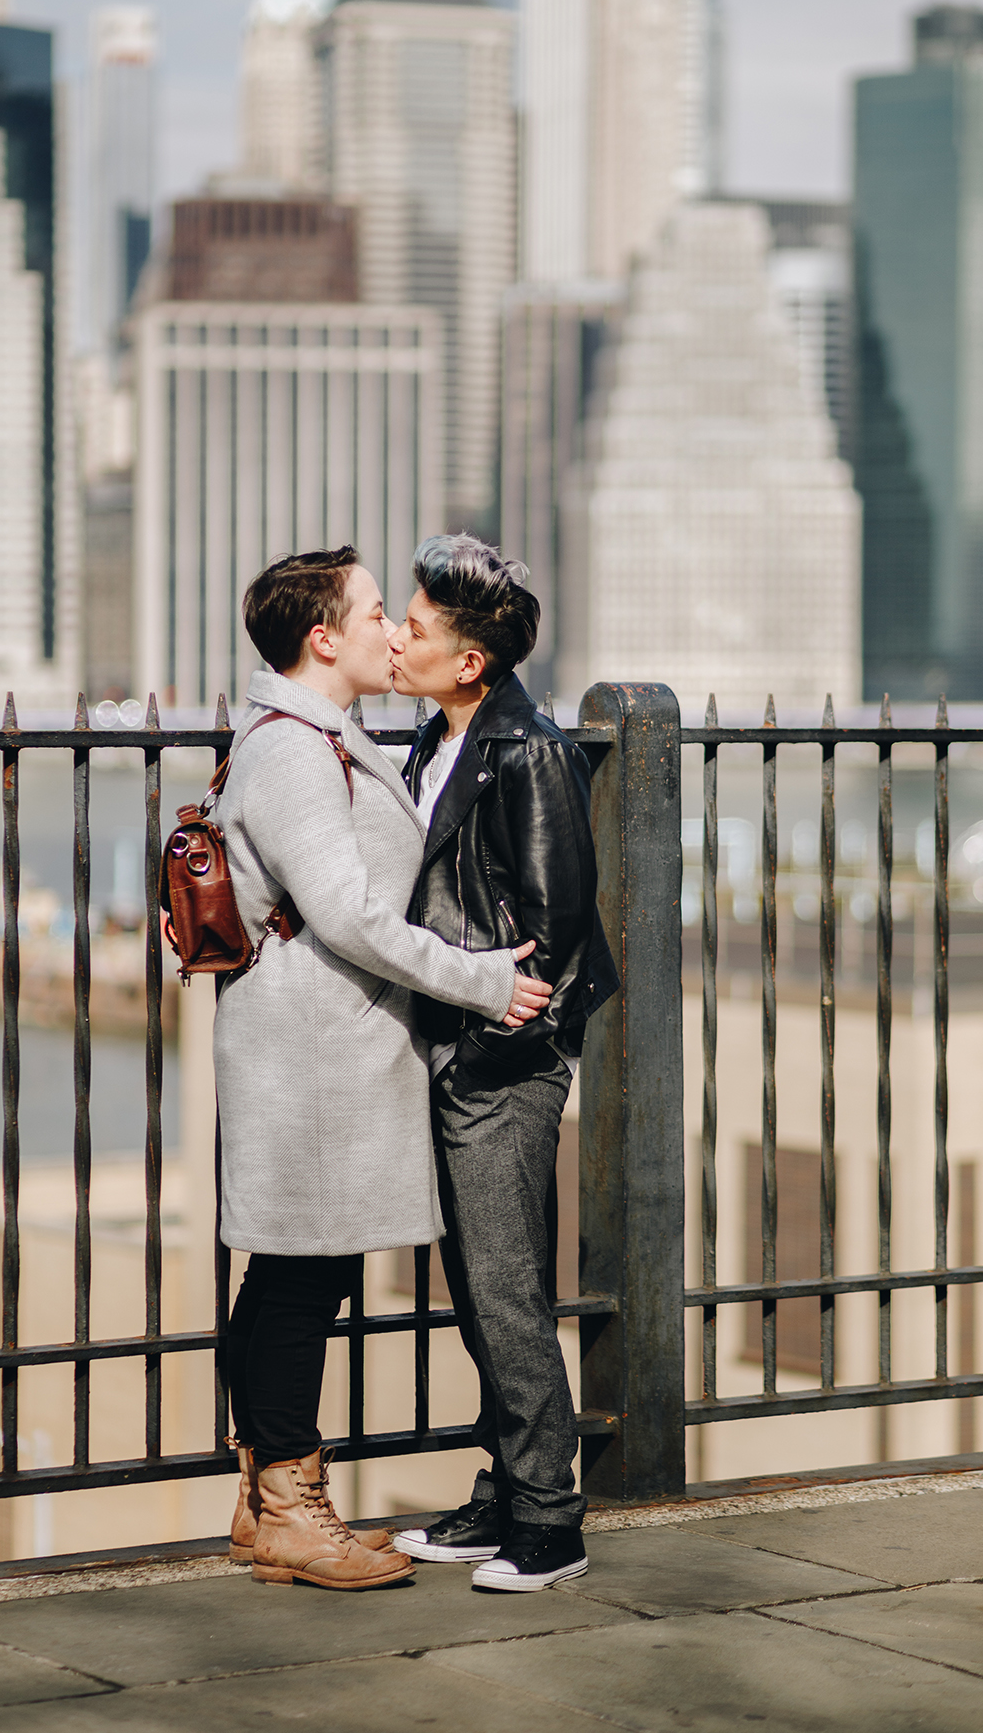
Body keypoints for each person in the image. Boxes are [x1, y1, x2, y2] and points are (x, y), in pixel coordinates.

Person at [213, 545, 553, 1591]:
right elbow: (352, 914)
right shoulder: (293, 749)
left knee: (295, 1270)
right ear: (323, 636)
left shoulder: (324, 737)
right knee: (298, 1275)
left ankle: (270, 1495)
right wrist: (484, 982)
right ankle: (288, 1505)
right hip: (311, 1052)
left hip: (334, 1047)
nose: (389, 629)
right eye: (371, 611)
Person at [388, 534, 619, 1592]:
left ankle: (550, 1518)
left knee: (508, 1287)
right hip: (453, 1048)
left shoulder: (524, 747)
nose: (398, 636)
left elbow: (558, 920)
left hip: (499, 1062)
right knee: (478, 1290)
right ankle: (508, 1485)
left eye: (419, 627)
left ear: (470, 659)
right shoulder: (438, 736)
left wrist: (493, 1049)